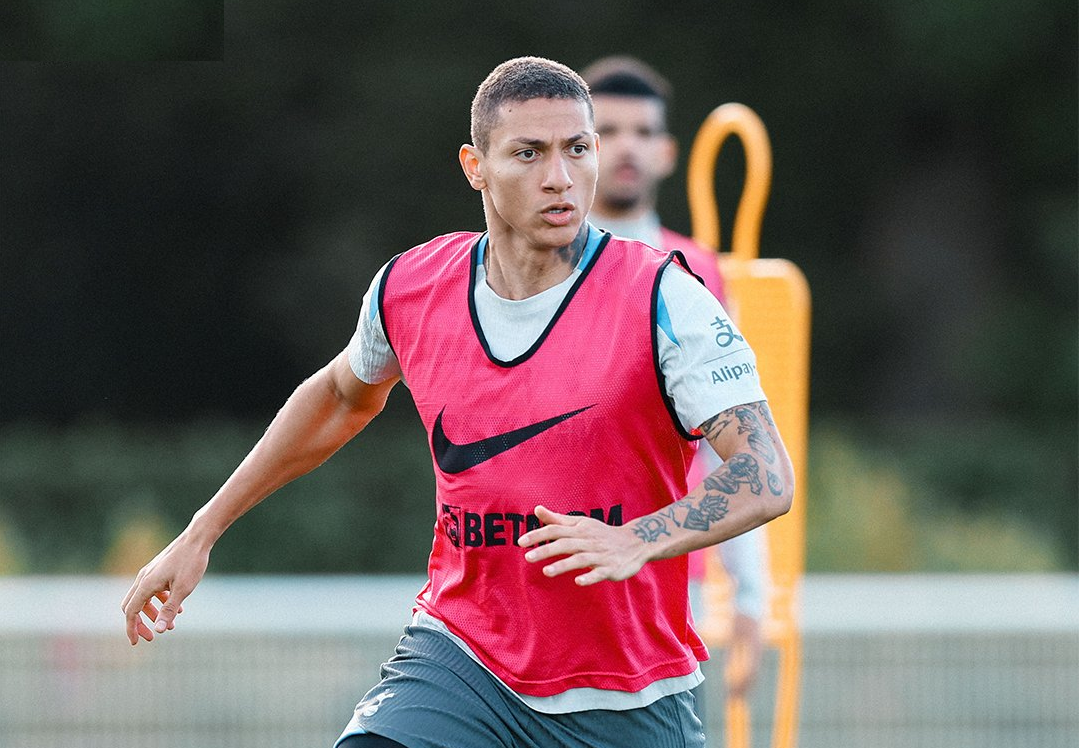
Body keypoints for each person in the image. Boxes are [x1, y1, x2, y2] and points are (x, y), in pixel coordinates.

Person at [121, 56, 794, 748]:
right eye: (528, 153)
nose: (559, 177)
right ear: (475, 166)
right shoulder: (411, 287)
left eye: (576, 149)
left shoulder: (666, 297)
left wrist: (637, 538)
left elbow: (766, 474)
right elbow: (339, 398)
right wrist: (202, 531)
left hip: (627, 693)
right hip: (463, 662)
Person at [581, 55, 770, 713]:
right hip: (551, 565)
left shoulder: (698, 271)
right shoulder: (536, 263)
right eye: (606, 131)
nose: (625, 147)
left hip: (666, 576)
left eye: (642, 131)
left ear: (666, 152)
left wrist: (751, 594)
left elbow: (734, 444)